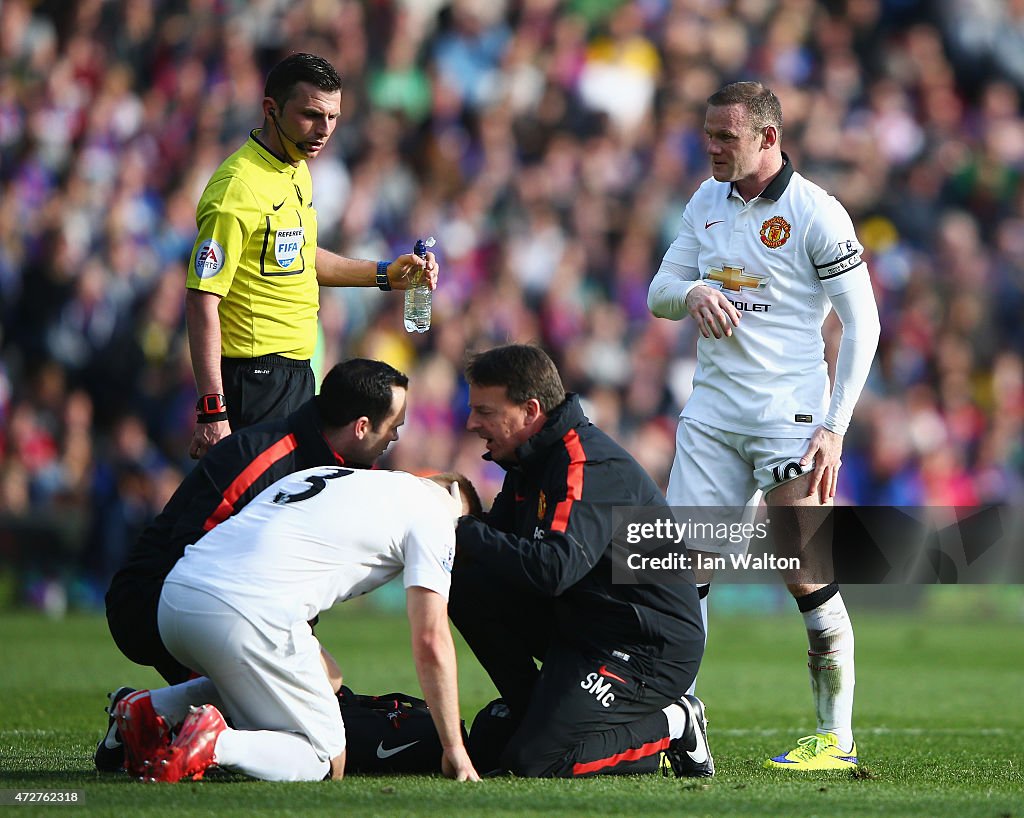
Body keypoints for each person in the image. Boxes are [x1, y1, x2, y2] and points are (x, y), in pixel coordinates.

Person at [647, 81, 881, 771]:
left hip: (791, 418)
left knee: (803, 571)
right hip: (714, 416)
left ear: (768, 138)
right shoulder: (704, 201)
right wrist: (692, 290)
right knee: (683, 572)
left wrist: (836, 426)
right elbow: (660, 290)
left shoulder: (816, 212)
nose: (711, 148)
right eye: (708, 134)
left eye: (726, 138)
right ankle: (678, 722)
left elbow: (863, 323)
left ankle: (834, 740)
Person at [98, 358, 407, 771]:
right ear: (362, 427)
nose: (398, 436)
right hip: (156, 600)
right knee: (314, 748)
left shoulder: (339, 463)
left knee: (324, 688)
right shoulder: (265, 459)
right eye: (394, 425)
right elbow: (191, 551)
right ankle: (177, 725)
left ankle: (142, 714)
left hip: (217, 601)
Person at [112, 465, 482, 783]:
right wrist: (453, 747)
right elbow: (431, 638)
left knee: (326, 677)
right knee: (325, 756)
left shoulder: (341, 477)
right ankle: (217, 741)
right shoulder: (437, 515)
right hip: (242, 613)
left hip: (177, 597)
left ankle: (153, 708)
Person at [448, 344, 710, 778]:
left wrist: (463, 528)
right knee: (468, 581)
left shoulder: (584, 462)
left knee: (534, 761)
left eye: (485, 411)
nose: (472, 422)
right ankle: (530, 712)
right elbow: (497, 552)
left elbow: (552, 570)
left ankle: (676, 723)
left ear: (530, 411)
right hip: (586, 622)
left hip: (646, 644)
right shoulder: (527, 462)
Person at [185, 52, 437, 460]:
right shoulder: (238, 188)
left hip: (298, 372)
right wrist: (213, 409)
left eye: (333, 118)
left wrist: (388, 275)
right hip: (255, 378)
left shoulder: (297, 166)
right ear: (271, 109)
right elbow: (202, 298)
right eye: (310, 115)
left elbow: (303, 258)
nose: (324, 130)